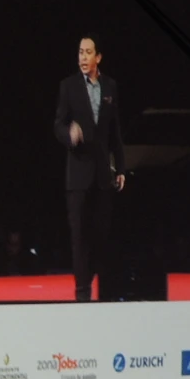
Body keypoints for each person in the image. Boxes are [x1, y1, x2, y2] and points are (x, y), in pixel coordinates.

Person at [53, 34, 126, 302]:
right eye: (80, 52)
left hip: (102, 175)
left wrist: (120, 167)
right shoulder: (68, 86)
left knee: (101, 234)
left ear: (98, 57)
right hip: (78, 175)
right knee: (79, 236)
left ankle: (99, 282)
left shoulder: (110, 87)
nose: (83, 57)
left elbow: (114, 131)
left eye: (88, 53)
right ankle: (82, 292)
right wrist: (68, 133)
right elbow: (58, 124)